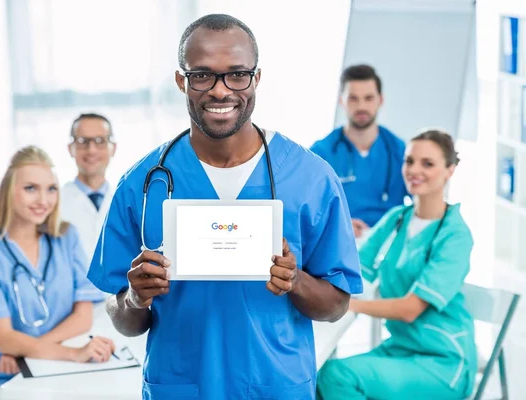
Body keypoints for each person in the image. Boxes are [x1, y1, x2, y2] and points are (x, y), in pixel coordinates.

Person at [87, 13, 363, 400]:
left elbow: (336, 305)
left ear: (256, 78)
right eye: (202, 75)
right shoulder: (142, 184)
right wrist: (135, 297)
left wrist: (296, 281)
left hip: (275, 386)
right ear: (182, 80)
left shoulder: (312, 178)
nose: (220, 91)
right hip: (180, 386)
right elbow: (125, 320)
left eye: (237, 74)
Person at [316, 129, 477, 400]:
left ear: (450, 170)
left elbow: (410, 309)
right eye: (410, 161)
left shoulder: (455, 235)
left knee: (336, 377)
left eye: (428, 164)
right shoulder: (397, 219)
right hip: (401, 349)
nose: (415, 170)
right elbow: (353, 269)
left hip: (442, 362)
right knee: (317, 375)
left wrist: (346, 305)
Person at [0, 146, 116, 400]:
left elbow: (83, 317)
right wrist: (75, 353)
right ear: (9, 192)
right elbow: (4, 339)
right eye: (31, 188)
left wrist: (27, 352)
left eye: (51, 189)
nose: (43, 200)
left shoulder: (66, 238)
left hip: (45, 361)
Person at [310, 64, 408, 239]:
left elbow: (423, 200)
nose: (361, 106)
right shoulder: (321, 153)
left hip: (387, 243)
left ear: (381, 100)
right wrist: (339, 223)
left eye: (368, 98)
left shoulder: (399, 151)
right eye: (353, 98)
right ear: (342, 101)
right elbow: (305, 205)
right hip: (337, 241)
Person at [61, 113, 117, 263]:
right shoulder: (54, 203)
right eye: (82, 141)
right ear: (70, 148)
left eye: (100, 141)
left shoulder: (126, 201)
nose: (91, 150)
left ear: (113, 148)